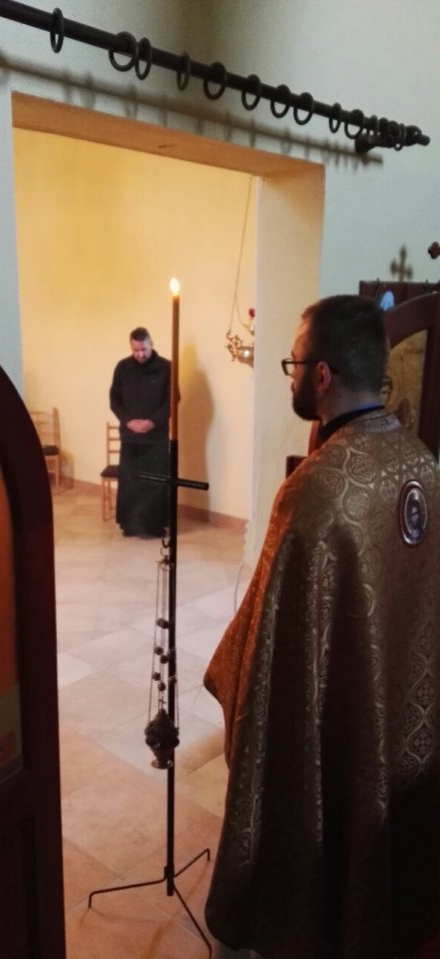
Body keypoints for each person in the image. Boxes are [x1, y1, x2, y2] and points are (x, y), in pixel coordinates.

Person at [204, 295, 440, 959]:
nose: (290, 378)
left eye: (293, 364)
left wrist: (227, 669)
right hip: (409, 734)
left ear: (322, 374)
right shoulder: (419, 461)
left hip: (343, 730)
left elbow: (266, 643)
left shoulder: (317, 490)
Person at [110, 326, 170, 538]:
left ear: (151, 344)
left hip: (156, 437)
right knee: (130, 482)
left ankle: (153, 526)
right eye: (135, 350)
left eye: (143, 349)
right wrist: (128, 421)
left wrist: (153, 422)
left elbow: (172, 400)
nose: (140, 354)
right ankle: (130, 525)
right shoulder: (122, 367)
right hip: (130, 436)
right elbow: (114, 400)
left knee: (155, 482)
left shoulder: (166, 368)